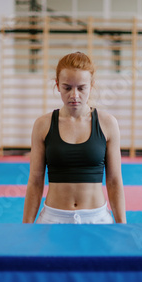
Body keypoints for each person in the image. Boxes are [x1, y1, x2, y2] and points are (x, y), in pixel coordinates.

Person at [22, 51, 126, 224]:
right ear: (57, 85)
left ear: (91, 86)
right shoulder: (43, 125)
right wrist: (26, 226)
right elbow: (35, 181)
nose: (74, 95)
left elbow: (114, 180)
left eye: (81, 88)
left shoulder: (108, 124)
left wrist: (122, 224)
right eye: (67, 87)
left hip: (97, 218)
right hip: (53, 218)